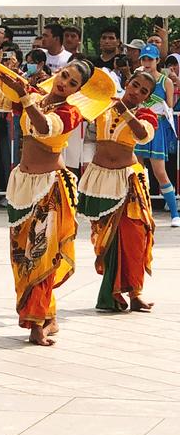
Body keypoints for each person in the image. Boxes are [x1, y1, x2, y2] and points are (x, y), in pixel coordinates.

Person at [0, 59, 95, 345]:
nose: (64, 83)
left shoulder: (71, 112)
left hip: (50, 187)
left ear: (77, 90)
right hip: (22, 184)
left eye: (72, 83)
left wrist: (24, 96)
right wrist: (0, 73)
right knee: (21, 254)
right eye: (64, 75)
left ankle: (37, 324)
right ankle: (48, 314)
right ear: (58, 72)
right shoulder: (33, 96)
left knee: (42, 253)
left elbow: (44, 127)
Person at [78, 72, 158, 312]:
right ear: (127, 83)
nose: (137, 91)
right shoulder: (102, 104)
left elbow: (143, 136)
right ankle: (111, 293)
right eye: (135, 85)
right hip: (100, 179)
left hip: (128, 180)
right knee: (106, 238)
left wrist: (124, 110)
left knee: (134, 236)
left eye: (143, 91)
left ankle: (134, 293)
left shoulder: (145, 115)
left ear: (147, 97)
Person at [133, 44, 180, 227]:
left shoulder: (165, 81)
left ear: (157, 61)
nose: (146, 62)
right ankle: (139, 210)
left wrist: (154, 107)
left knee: (160, 171)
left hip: (157, 127)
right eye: (144, 59)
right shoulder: (137, 78)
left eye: (150, 59)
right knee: (136, 170)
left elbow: (169, 105)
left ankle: (174, 213)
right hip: (138, 126)